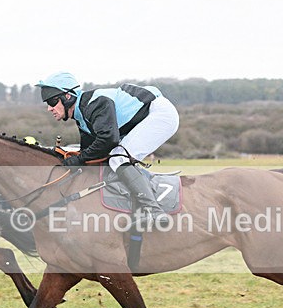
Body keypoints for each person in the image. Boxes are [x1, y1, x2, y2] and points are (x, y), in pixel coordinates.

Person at [36, 72, 179, 229]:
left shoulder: (95, 103)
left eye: (52, 101)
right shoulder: (81, 116)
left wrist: (80, 158)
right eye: (47, 103)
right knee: (112, 158)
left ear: (68, 97)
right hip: (145, 116)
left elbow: (108, 140)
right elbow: (91, 152)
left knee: (118, 158)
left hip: (159, 114)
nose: (49, 108)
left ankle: (154, 211)